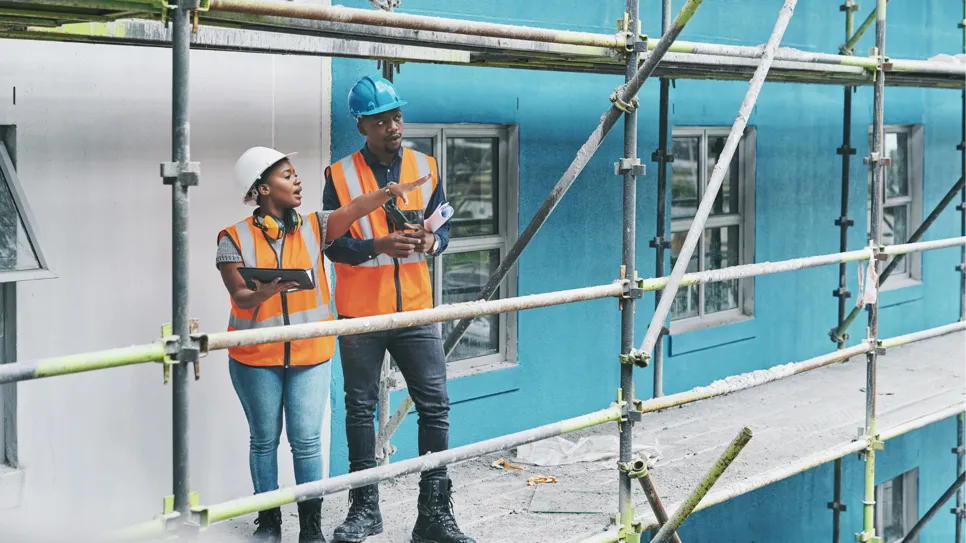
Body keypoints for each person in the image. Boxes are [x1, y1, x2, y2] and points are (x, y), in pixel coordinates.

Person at [216, 146, 430, 543]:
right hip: (254, 357)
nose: (297, 181)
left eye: (296, 173)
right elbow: (241, 297)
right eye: (287, 175)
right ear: (262, 188)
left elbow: (355, 208)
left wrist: (387, 192)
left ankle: (310, 526)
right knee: (264, 440)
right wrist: (265, 291)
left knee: (307, 441)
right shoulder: (232, 238)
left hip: (311, 354)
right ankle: (268, 522)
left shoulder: (316, 225)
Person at [322, 75, 475, 543]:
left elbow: (444, 228)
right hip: (361, 313)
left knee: (436, 408)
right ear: (362, 125)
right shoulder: (339, 176)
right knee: (359, 409)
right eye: (382, 120)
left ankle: (433, 515)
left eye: (397, 116)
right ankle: (366, 510)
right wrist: (377, 245)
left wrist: (432, 241)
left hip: (415, 311)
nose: (394, 126)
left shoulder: (425, 165)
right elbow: (332, 245)